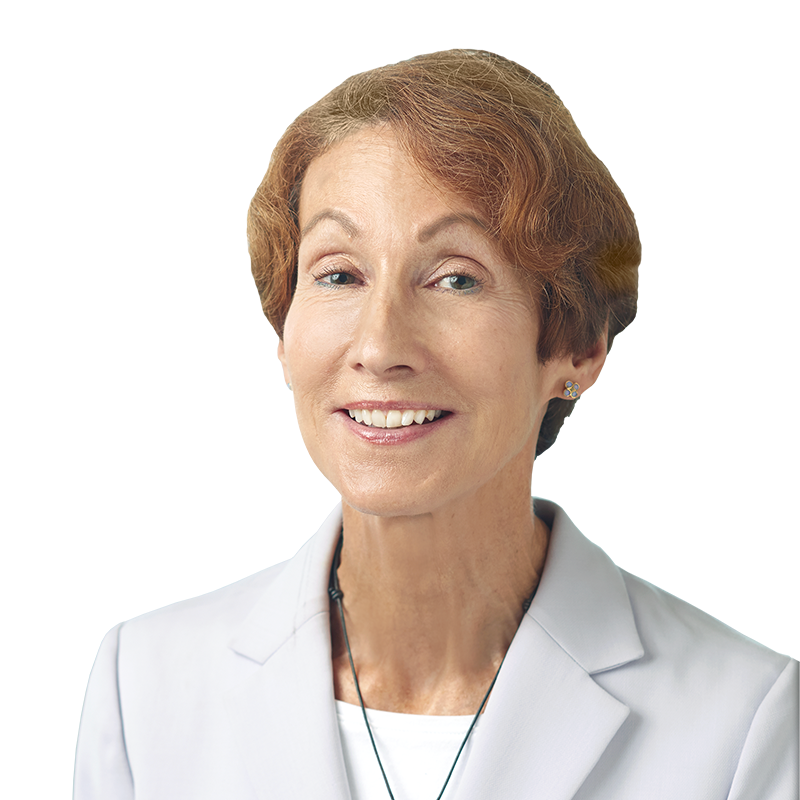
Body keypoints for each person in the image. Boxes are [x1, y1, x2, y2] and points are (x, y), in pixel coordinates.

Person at [74, 49, 798, 799]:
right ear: (283, 337)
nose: (380, 345)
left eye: (456, 278)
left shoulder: (743, 722)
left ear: (579, 347)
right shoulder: (145, 686)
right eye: (339, 274)